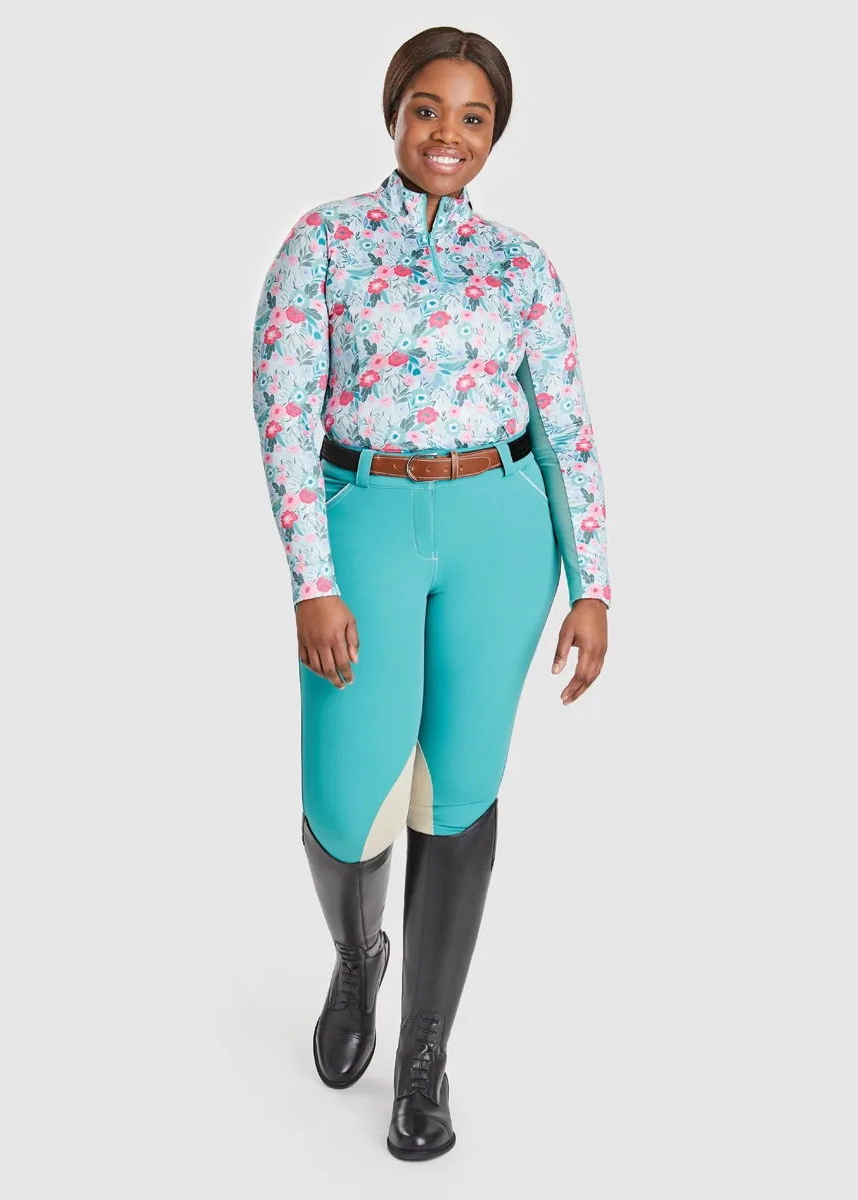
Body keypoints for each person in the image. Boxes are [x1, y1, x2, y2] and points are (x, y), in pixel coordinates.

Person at [251, 25, 610, 1160]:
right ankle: (357, 955)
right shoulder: (323, 243)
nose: (447, 135)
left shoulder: (521, 264)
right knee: (345, 795)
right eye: (427, 108)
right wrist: (313, 579)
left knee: (458, 792)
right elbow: (283, 417)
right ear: (393, 112)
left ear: (495, 135)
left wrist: (593, 585)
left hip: (501, 528)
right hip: (364, 519)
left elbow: (566, 424)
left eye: (473, 117)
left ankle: (425, 1053)